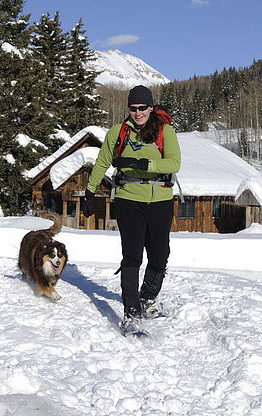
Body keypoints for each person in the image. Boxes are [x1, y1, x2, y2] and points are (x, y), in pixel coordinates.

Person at [82, 85, 181, 335]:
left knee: (160, 255)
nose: (138, 113)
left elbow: (174, 162)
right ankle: (131, 313)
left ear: (151, 107)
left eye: (142, 108)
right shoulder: (118, 132)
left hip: (160, 200)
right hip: (128, 199)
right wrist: (90, 192)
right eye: (133, 108)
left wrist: (140, 163)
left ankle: (147, 299)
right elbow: (102, 162)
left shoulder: (164, 131)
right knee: (132, 256)